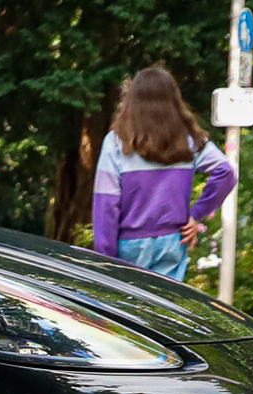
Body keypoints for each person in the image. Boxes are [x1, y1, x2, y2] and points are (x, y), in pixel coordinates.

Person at [92, 65, 233, 281]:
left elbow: (106, 204)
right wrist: (196, 214)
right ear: (173, 100)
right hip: (172, 240)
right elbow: (225, 172)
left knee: (126, 310)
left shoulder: (117, 142)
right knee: (161, 309)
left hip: (129, 246)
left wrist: (105, 261)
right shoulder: (189, 140)